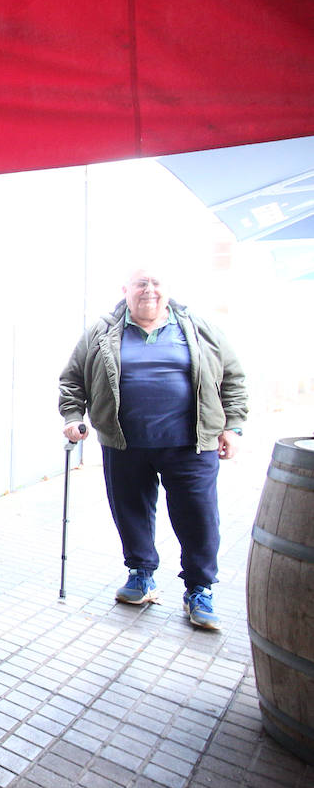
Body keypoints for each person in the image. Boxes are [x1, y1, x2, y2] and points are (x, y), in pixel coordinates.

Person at [58, 267, 247, 630]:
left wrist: (233, 426)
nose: (149, 291)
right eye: (141, 284)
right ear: (126, 289)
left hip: (191, 445)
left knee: (199, 518)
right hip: (124, 442)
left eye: (156, 283)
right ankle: (141, 574)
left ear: (168, 290)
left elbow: (234, 378)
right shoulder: (102, 331)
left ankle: (199, 588)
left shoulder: (199, 328)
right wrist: (72, 415)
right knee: (130, 510)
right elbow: (73, 378)